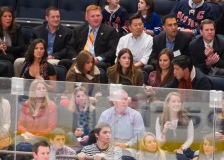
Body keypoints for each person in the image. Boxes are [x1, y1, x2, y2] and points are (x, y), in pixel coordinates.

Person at [13, 6, 72, 77]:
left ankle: (43, 84)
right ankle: (20, 84)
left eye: (58, 17)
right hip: (37, 57)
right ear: (47, 18)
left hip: (55, 59)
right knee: (18, 62)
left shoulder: (67, 32)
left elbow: (67, 49)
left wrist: (53, 56)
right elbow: (32, 46)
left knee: (49, 63)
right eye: (53, 17)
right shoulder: (37, 31)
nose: (56, 19)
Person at [60, 5, 119, 72]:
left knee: (100, 65)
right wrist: (76, 58)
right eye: (92, 16)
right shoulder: (78, 30)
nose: (96, 18)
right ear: (86, 18)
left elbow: (112, 51)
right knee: (64, 62)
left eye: (98, 15)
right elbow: (70, 47)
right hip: (79, 60)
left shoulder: (110, 31)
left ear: (102, 17)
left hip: (97, 61)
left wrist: (98, 58)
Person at [0, 6, 25, 77]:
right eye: (5, 16)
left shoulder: (17, 28)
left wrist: (7, 48)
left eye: (10, 16)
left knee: (8, 59)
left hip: (12, 56)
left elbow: (21, 47)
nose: (8, 18)